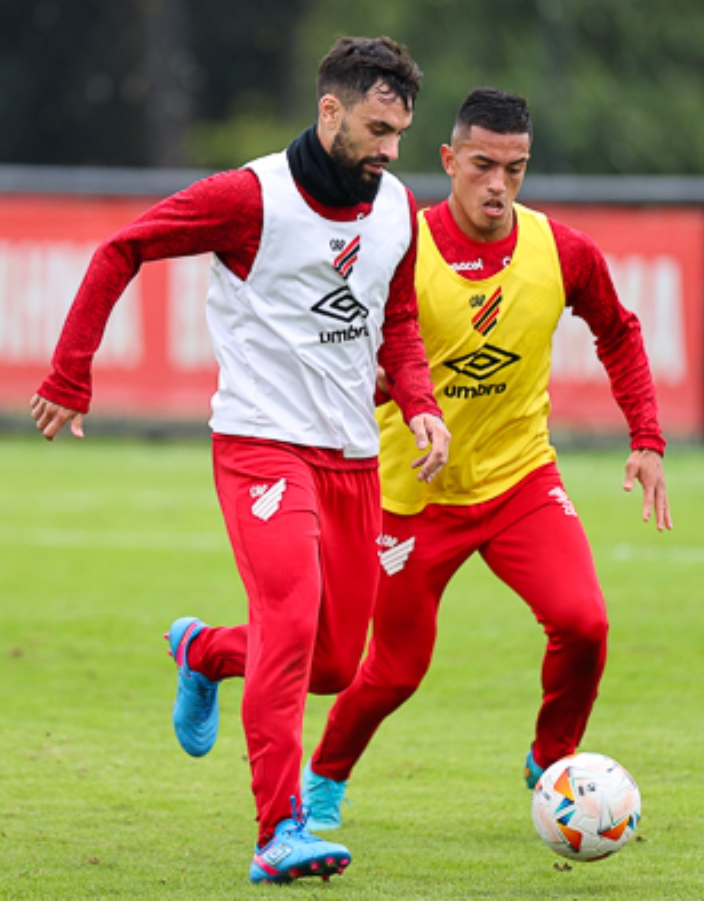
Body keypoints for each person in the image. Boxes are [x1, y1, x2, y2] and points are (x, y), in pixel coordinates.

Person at [29, 37, 450, 884]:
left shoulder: (398, 206)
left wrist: (422, 406)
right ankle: (279, 829)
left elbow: (397, 321)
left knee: (333, 663)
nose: (389, 149)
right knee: (292, 624)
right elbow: (123, 249)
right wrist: (70, 372)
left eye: (399, 132)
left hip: (354, 460)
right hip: (261, 445)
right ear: (329, 111)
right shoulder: (250, 197)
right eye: (376, 128)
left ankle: (208, 652)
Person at [295, 88, 672, 830]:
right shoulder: (397, 243)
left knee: (584, 623)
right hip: (412, 497)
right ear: (449, 160)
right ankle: (323, 781)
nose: (498, 184)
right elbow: (343, 351)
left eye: (516, 168)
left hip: (519, 481)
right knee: (395, 670)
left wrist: (648, 439)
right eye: (482, 165)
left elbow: (619, 332)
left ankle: (552, 764)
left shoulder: (560, 251)